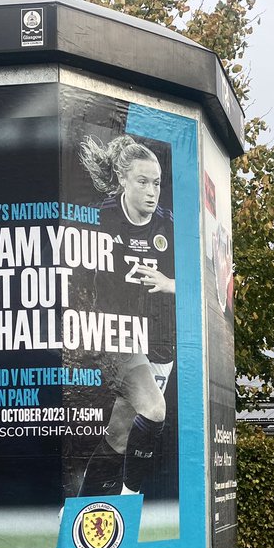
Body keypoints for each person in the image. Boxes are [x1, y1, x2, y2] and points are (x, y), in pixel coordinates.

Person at [75, 134, 176, 498]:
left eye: (158, 183)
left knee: (119, 432)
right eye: (143, 181)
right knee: (154, 409)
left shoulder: (168, 224)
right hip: (118, 336)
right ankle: (129, 503)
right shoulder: (102, 218)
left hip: (160, 342)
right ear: (123, 180)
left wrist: (170, 283)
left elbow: (202, 282)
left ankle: (77, 507)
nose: (152, 191)